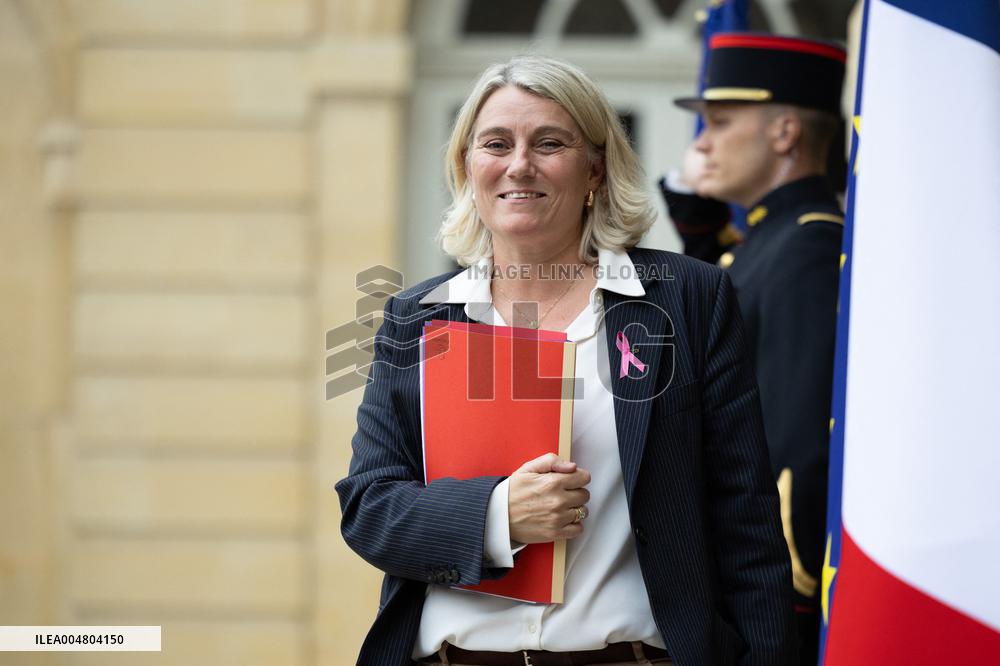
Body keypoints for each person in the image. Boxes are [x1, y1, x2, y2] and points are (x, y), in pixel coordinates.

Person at [337, 54, 796, 666]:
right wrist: (497, 516)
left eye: (550, 143)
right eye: (495, 144)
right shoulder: (417, 317)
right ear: (467, 166)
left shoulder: (687, 298)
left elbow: (746, 520)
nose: (519, 165)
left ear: (595, 169)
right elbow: (369, 508)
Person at [671, 33, 848, 664]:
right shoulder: (766, 242)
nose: (701, 143)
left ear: (784, 133)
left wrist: (791, 589)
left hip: (769, 593)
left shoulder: (809, 246)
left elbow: (796, 436)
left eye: (720, 122)